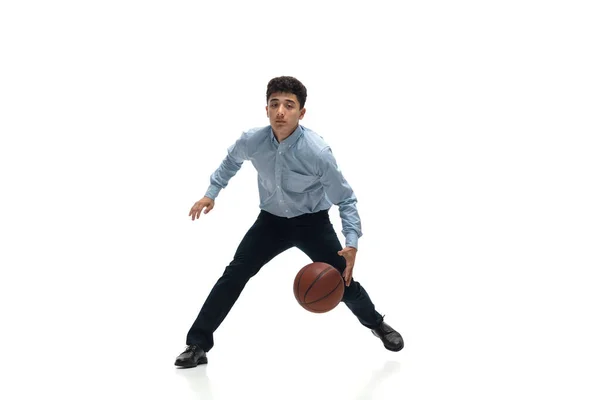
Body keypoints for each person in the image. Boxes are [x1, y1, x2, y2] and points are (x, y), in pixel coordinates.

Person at [175, 76, 403, 368]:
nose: (281, 111)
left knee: (341, 281)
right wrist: (211, 193)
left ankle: (377, 324)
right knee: (235, 274)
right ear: (266, 109)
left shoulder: (316, 152)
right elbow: (231, 161)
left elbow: (345, 199)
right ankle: (197, 344)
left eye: (289, 105)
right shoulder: (252, 140)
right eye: (274, 104)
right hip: (270, 222)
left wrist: (351, 244)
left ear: (301, 113)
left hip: (312, 223)